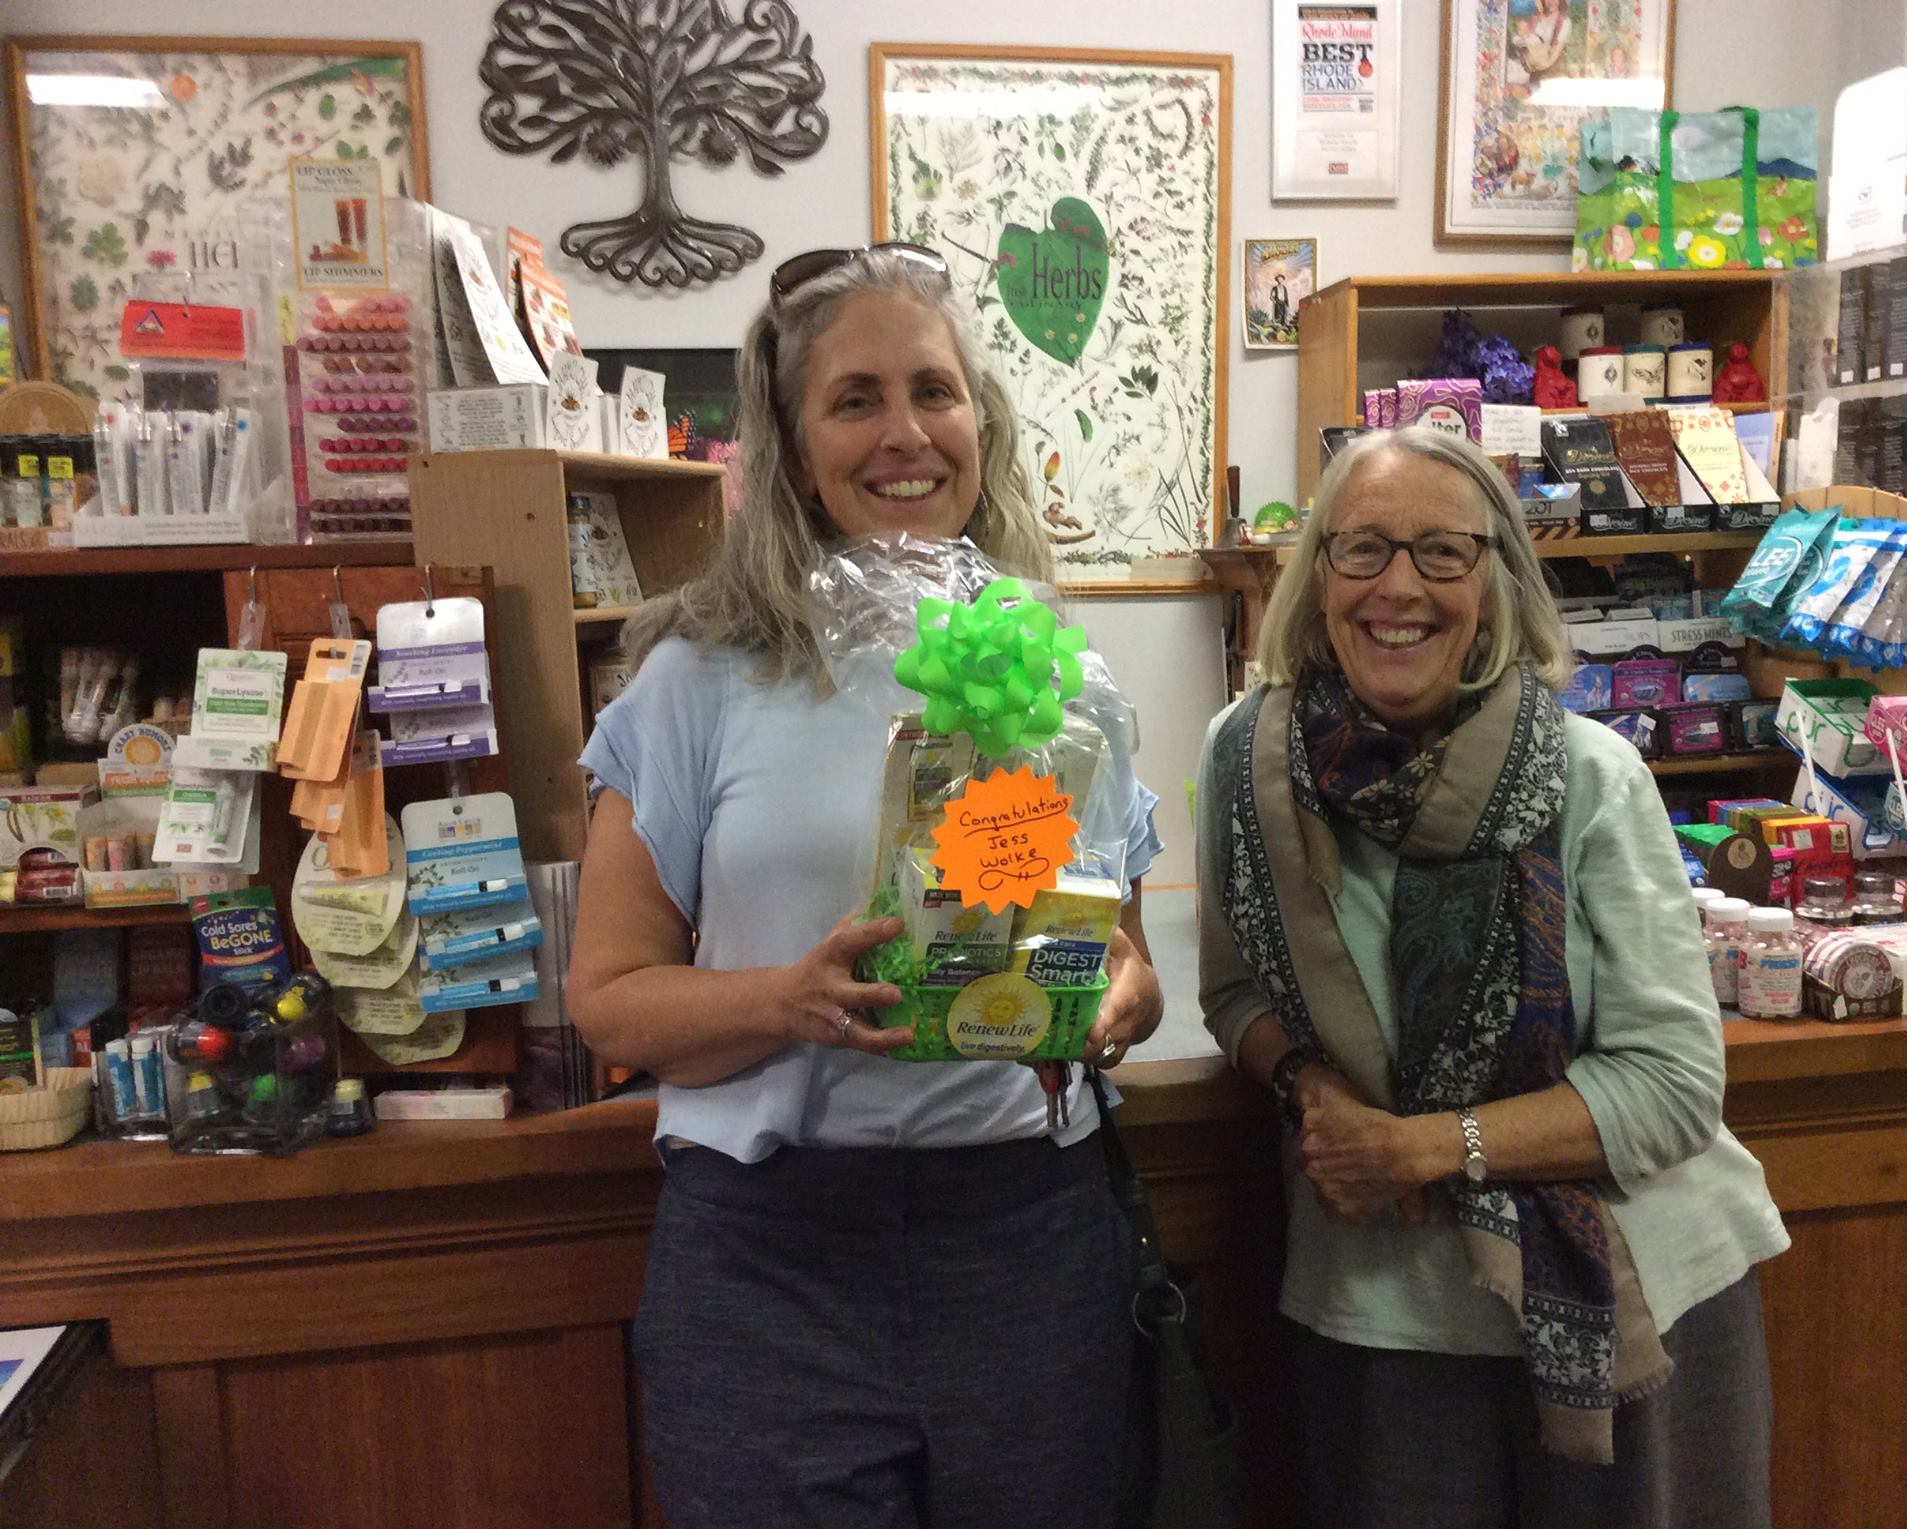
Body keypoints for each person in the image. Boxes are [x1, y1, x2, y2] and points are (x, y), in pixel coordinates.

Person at [567, 244, 1166, 1529]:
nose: (905, 434)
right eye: (855, 400)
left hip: (1025, 1238)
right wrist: (783, 1000)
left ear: (979, 427)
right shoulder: (697, 679)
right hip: (769, 1262)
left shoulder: (1062, 677)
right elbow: (608, 998)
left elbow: (1125, 956)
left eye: (934, 392)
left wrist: (1115, 998)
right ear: (792, 453)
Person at [1195, 428, 1788, 1528]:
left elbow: (1671, 1085)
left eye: (1442, 551)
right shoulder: (1244, 762)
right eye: (1362, 547)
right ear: (1317, 573)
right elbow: (1235, 996)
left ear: (1496, 580)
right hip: (1382, 1307)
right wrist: (1311, 1087)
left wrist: (1421, 1145)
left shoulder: (1592, 776)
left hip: (1630, 1302)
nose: (1398, 587)